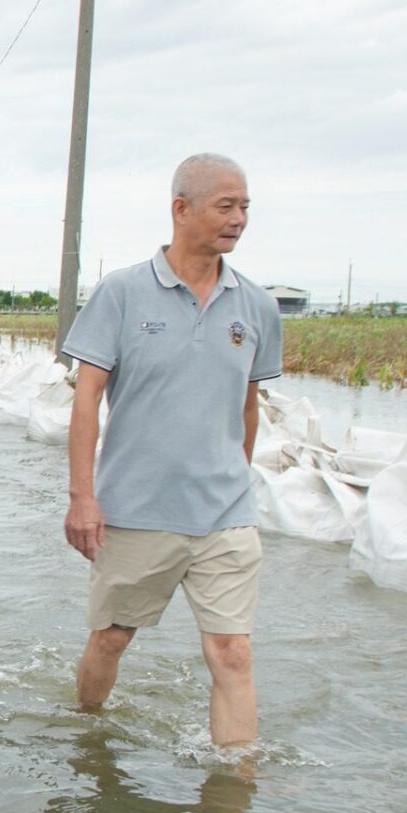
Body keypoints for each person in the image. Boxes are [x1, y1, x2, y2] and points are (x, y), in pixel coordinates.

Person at [59, 153, 283, 748]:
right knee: (111, 639)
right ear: (181, 210)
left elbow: (248, 405)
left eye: (245, 208)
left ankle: (234, 792)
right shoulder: (124, 293)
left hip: (225, 515)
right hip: (136, 510)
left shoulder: (256, 306)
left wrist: (237, 476)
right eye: (225, 206)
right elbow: (86, 402)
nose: (238, 219)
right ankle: (86, 738)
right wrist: (83, 496)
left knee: (232, 653)